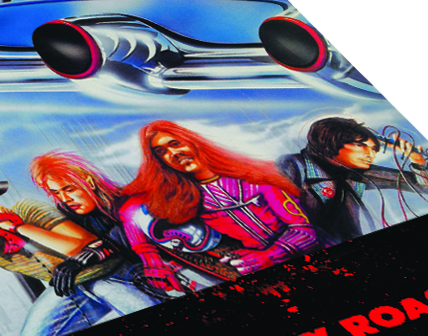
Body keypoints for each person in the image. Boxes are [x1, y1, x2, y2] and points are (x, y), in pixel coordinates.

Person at [123, 119, 317, 290]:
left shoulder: (254, 179)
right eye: (161, 152)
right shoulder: (184, 196)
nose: (173, 153)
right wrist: (150, 259)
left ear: (192, 142)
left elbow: (306, 231)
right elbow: (129, 212)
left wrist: (270, 256)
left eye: (175, 144)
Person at [18, 152, 169, 336]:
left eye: (69, 189)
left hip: (132, 277)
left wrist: (85, 257)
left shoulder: (127, 203)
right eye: (56, 193)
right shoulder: (66, 216)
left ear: (88, 181)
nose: (65, 198)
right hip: (85, 281)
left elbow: (120, 238)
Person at [285, 116, 428, 244]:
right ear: (331, 141)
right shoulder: (293, 166)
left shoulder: (356, 172)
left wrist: (418, 162)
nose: (370, 154)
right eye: (360, 145)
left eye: (374, 149)